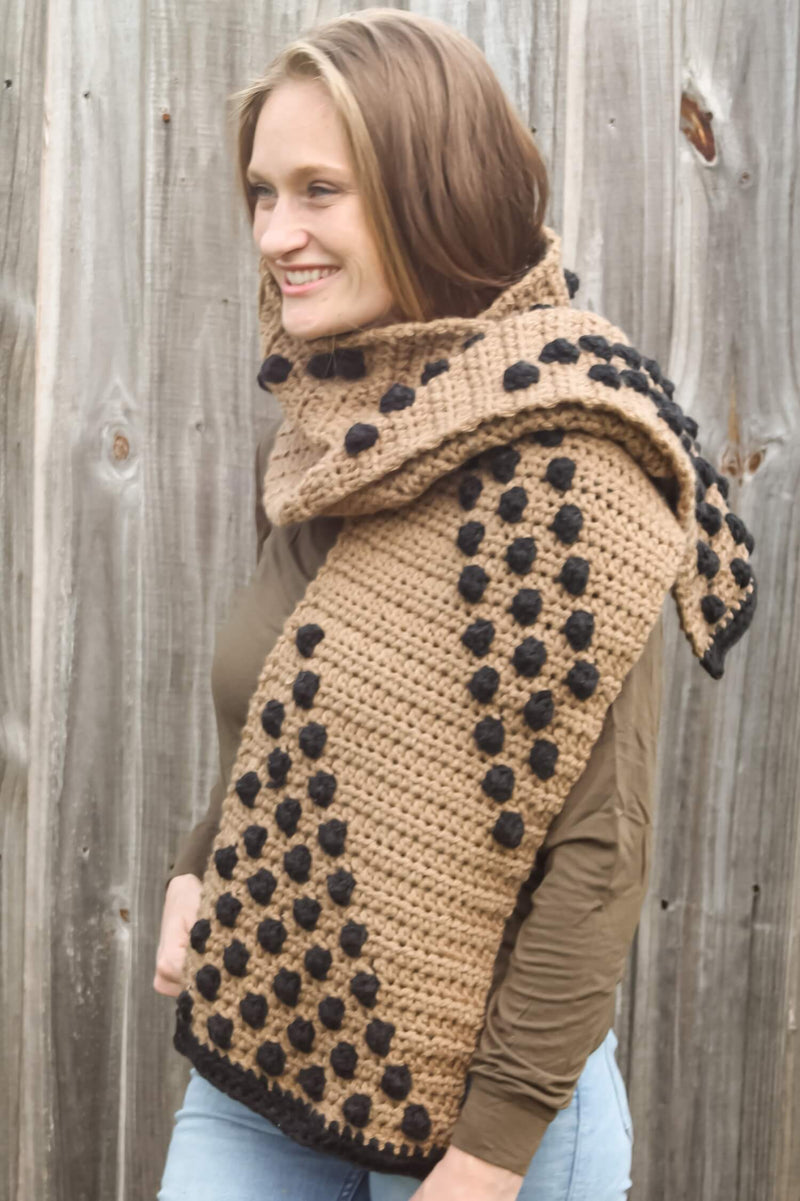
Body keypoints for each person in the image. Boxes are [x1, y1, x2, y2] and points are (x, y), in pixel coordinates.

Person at [153, 10, 757, 1201]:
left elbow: (597, 853)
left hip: (483, 1114)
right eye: (262, 192)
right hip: (266, 1036)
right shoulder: (334, 434)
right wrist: (197, 862)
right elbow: (293, 702)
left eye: (319, 190)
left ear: (430, 193)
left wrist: (486, 1158)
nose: (274, 234)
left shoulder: (571, 461)